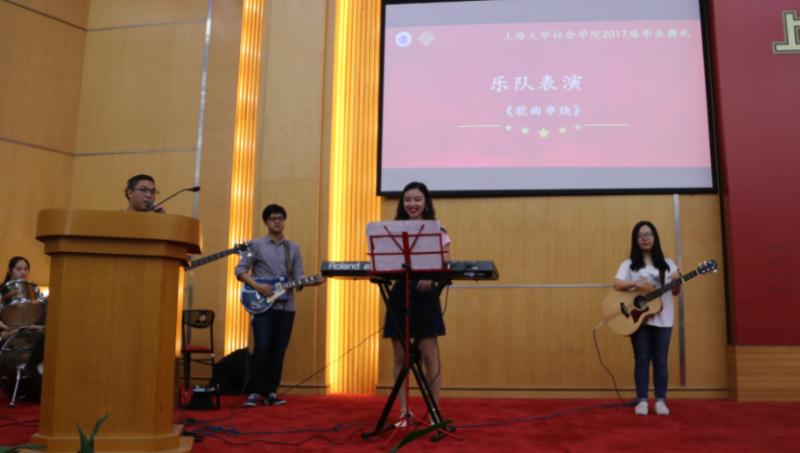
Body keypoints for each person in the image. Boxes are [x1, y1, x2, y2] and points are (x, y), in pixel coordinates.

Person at [383, 181, 450, 423]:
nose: (412, 204)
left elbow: (446, 262)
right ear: (402, 203)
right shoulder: (391, 231)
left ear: (426, 202)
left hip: (425, 295)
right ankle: (404, 410)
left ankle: (433, 410)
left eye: (417, 199)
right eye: (408, 199)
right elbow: (384, 261)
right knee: (399, 356)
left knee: (429, 354)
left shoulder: (438, 231)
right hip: (400, 294)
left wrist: (432, 275)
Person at [236, 204, 304, 407]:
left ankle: (271, 392)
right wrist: (258, 286)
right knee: (262, 347)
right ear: (266, 222)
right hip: (263, 306)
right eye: (273, 218)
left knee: (279, 350)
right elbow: (240, 270)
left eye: (280, 218)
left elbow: (298, 277)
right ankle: (254, 392)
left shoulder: (293, 248)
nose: (277, 222)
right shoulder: (254, 245)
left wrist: (307, 282)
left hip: (287, 307)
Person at [613, 221, 681, 416]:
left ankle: (660, 401)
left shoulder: (667, 264)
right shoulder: (629, 264)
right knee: (641, 359)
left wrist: (677, 282)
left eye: (648, 234)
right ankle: (642, 400)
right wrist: (636, 283)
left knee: (661, 360)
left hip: (664, 319)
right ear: (635, 240)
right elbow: (617, 283)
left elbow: (675, 292)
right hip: (638, 318)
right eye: (640, 235)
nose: (645, 238)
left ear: (655, 237)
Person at [1, 256, 46, 338]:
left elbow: (36, 314)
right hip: (5, 331)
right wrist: (6, 327)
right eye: (19, 269)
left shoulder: (33, 289)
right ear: (10, 271)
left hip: (25, 331)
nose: (23, 272)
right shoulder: (2, 289)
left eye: (26, 269)